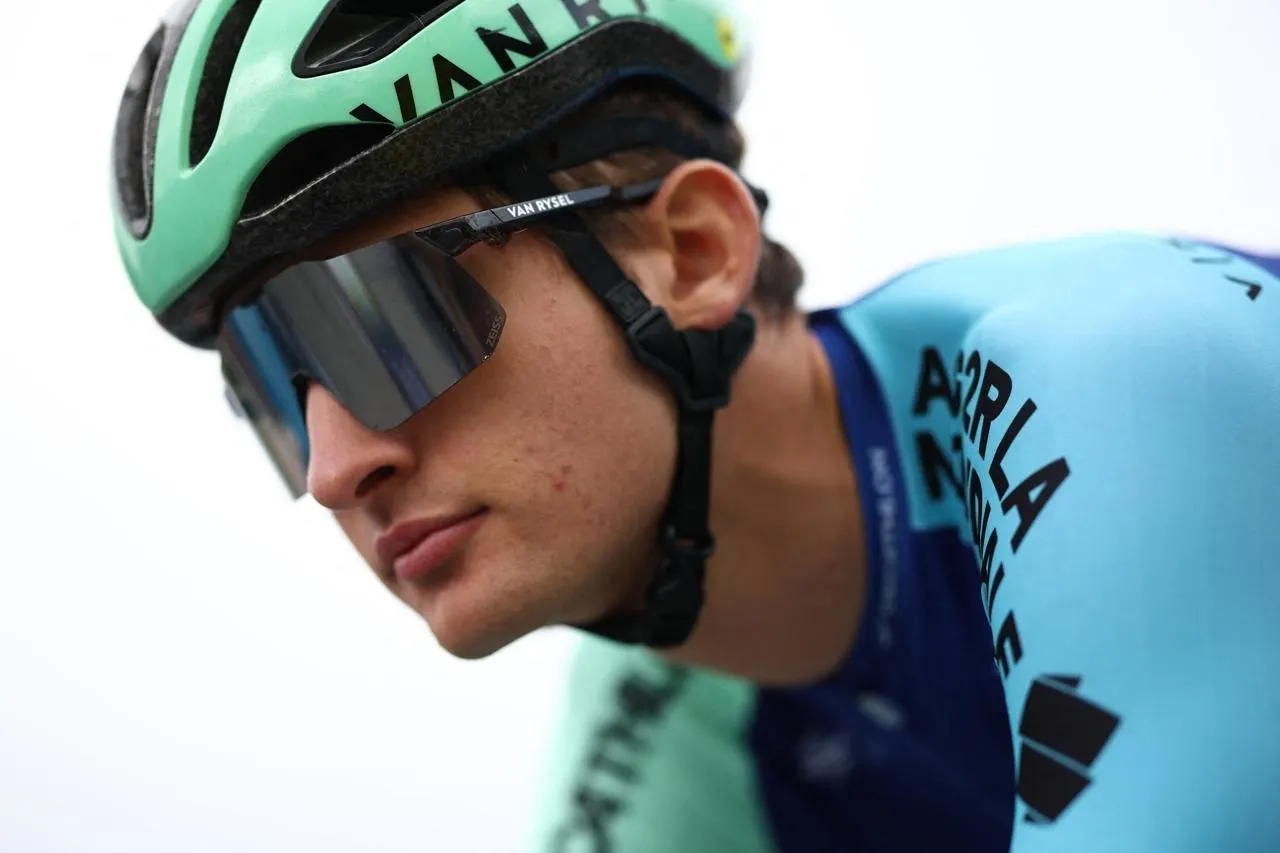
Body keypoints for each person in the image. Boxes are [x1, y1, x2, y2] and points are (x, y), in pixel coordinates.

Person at [108, 1, 1280, 850]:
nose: (332, 467)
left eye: (385, 325)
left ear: (692, 251)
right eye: (272, 386)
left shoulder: (1115, 372)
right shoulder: (658, 749)